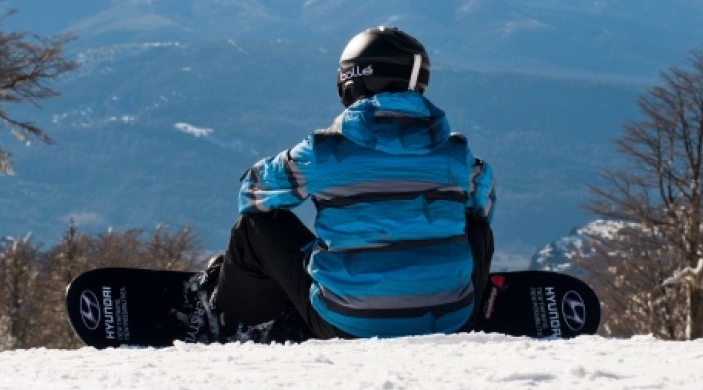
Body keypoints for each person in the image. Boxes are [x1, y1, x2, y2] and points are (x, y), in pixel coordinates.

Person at [181, 26, 495, 343]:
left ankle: (232, 325)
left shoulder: (326, 151)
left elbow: (252, 194)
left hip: (349, 323)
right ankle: (457, 300)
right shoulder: (457, 153)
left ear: (351, 80)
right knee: (476, 225)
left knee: (253, 227)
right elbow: (483, 204)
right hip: (451, 319)